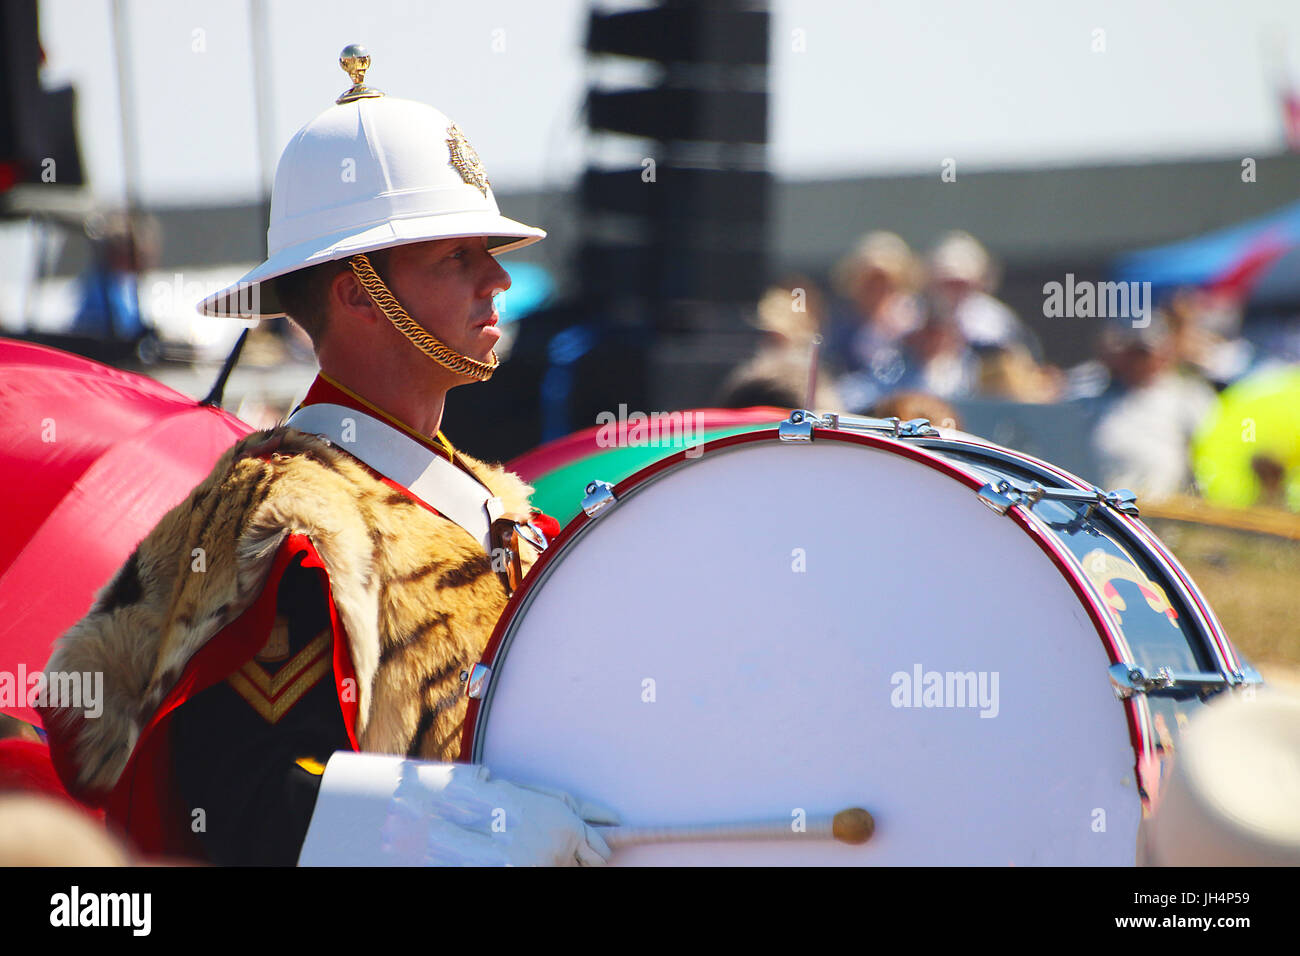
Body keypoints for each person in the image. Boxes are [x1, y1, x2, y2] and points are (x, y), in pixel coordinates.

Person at [40, 46, 615, 866]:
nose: (498, 279)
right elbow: (234, 797)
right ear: (356, 293)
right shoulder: (285, 523)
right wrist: (445, 830)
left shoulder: (503, 509)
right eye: (457, 256)